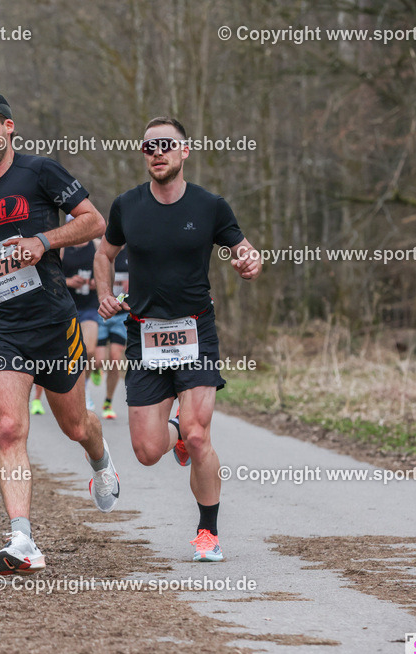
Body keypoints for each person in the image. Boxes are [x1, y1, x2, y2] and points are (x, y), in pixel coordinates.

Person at [0, 91, 120, 576]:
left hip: (53, 322)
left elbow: (93, 221)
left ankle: (100, 460)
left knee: (75, 427)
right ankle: (22, 539)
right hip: (0, 325)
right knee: (10, 428)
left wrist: (42, 241)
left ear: (8, 128)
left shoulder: (41, 172)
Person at [94, 116, 262, 563]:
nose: (157, 153)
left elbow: (243, 249)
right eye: (149, 146)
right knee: (148, 452)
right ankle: (177, 434)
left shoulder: (210, 206)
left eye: (166, 144)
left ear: (185, 151)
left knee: (199, 434)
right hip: (144, 334)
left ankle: (207, 533)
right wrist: (105, 294)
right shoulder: (127, 206)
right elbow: (104, 254)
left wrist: (249, 262)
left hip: (195, 331)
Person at [60, 238, 100, 411]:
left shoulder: (96, 245)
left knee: (89, 351)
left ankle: (85, 387)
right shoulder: (62, 246)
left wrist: (99, 282)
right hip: (66, 307)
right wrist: (68, 281)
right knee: (67, 354)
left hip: (89, 307)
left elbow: (108, 267)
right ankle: (69, 391)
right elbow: (50, 276)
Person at [96, 245, 128, 419]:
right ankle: (95, 370)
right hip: (102, 313)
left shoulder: (133, 249)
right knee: (98, 360)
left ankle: (108, 402)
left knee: (115, 359)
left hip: (121, 316)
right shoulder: (102, 249)